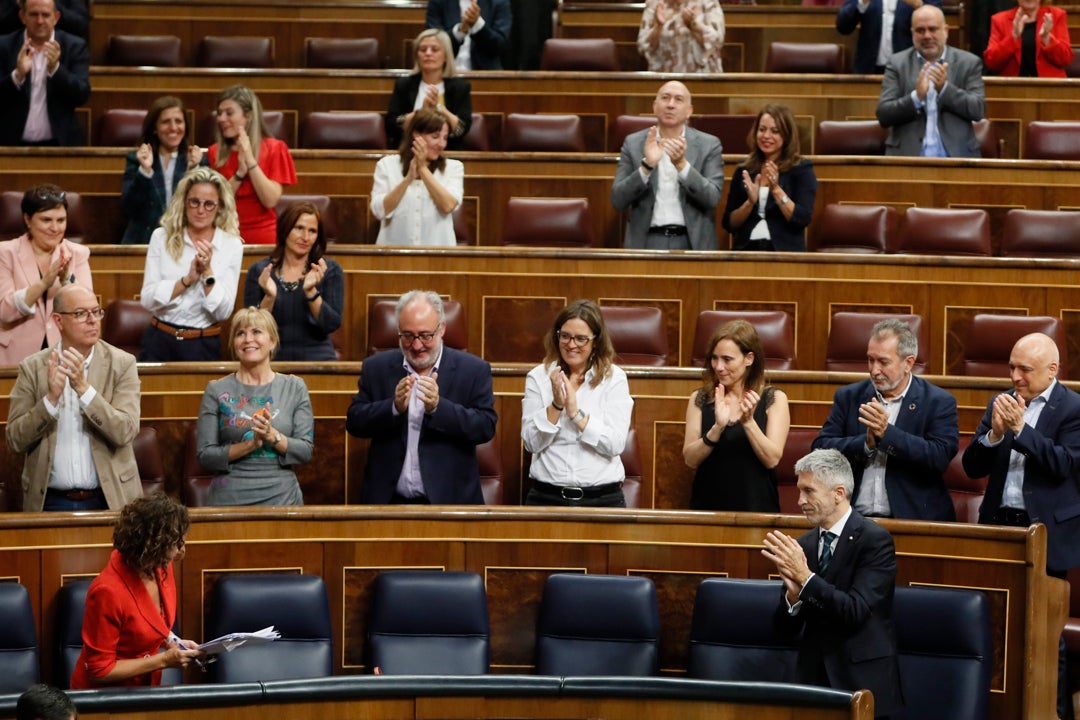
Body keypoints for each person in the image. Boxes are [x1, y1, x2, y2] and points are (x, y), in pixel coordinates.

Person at [962, 333, 1080, 720]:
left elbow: (1064, 464)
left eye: (1024, 369)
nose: (1015, 376)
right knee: (994, 627)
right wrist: (995, 434)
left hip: (1043, 534)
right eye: (1011, 367)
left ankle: (1054, 713)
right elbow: (972, 467)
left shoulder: (1073, 408)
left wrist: (1021, 431)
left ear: (1052, 370)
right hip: (999, 527)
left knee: (1046, 635)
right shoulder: (1001, 402)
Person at [761, 448, 904, 719]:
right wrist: (793, 599)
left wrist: (805, 579)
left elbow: (855, 611)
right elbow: (783, 631)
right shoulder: (803, 545)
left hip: (863, 683)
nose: (800, 500)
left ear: (838, 493)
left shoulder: (875, 541)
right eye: (799, 491)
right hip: (812, 682)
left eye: (808, 491)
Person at [345, 289, 497, 504]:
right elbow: (355, 422)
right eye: (407, 336)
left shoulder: (473, 370)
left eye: (425, 336)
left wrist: (439, 407)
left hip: (450, 505)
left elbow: (485, 427)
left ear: (442, 328)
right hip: (388, 503)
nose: (416, 346)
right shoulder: (376, 367)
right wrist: (393, 408)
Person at [6, 284, 142, 512]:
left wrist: (84, 389)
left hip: (110, 499)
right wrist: (49, 401)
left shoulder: (122, 364)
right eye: (81, 313)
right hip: (50, 501)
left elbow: (125, 431)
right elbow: (15, 440)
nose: (92, 320)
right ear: (58, 321)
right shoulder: (33, 368)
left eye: (96, 311)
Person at [812, 318, 958, 520]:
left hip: (912, 520)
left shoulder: (937, 402)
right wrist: (865, 443)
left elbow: (939, 457)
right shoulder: (849, 397)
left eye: (883, 362)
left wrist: (888, 435)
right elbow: (819, 450)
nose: (874, 370)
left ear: (908, 363)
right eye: (870, 360)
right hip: (853, 519)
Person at [70, 494, 204, 689]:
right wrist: (164, 660)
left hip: (144, 689)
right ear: (153, 546)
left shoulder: (160, 567)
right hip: (105, 700)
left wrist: (173, 641)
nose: (180, 550)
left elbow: (151, 621)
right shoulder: (107, 591)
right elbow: (99, 669)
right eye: (175, 543)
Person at [521, 300, 634, 507]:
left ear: (596, 342)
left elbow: (615, 444)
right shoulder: (539, 377)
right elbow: (531, 443)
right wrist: (556, 405)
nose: (571, 345)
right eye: (565, 336)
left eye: (581, 339)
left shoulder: (614, 379)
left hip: (602, 500)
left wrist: (576, 415)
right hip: (547, 498)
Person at [196, 307, 314, 506]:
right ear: (234, 344)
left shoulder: (294, 387)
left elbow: (305, 451)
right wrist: (251, 444)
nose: (247, 339)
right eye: (240, 333)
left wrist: (272, 436)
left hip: (282, 497)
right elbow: (205, 456)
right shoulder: (216, 390)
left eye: (256, 332)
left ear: (272, 342)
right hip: (229, 496)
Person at [683, 319, 789, 511]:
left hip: (757, 507)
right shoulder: (700, 398)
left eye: (727, 359)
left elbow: (772, 458)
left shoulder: (774, 399)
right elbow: (690, 459)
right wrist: (716, 429)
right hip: (707, 508)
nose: (718, 367)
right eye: (714, 358)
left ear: (749, 358)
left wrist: (748, 422)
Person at [139, 167, 243, 362]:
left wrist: (207, 274)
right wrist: (187, 281)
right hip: (158, 340)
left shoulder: (231, 245)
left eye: (209, 204)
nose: (201, 210)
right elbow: (147, 299)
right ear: (184, 202)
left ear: (220, 206)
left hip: (202, 345)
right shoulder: (161, 237)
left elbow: (224, 312)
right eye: (194, 202)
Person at [611, 80, 724, 251]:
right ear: (655, 106)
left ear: (689, 111)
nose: (670, 104)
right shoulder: (634, 143)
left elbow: (712, 198)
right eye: (665, 98)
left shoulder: (709, 145)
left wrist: (682, 165)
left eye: (678, 99)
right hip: (646, 242)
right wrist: (646, 167)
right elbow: (618, 200)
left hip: (692, 243)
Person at [875, 4, 986, 158]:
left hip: (956, 157)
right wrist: (916, 97)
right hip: (908, 157)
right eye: (920, 30)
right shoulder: (897, 63)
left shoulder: (968, 62)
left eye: (933, 29)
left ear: (945, 31)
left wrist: (946, 89)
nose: (927, 36)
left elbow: (978, 110)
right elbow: (884, 115)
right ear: (912, 34)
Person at [0, 184, 90, 367]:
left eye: (61, 220)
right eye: (46, 220)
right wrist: (44, 283)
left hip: (64, 356)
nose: (55, 228)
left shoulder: (77, 254)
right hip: (16, 358)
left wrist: (66, 280)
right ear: (27, 219)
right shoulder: (5, 253)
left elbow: (86, 311)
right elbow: (5, 312)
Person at [244, 201, 344, 361]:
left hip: (317, 359)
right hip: (271, 359)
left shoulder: (330, 271)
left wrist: (311, 292)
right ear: (285, 229)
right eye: (299, 228)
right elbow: (250, 328)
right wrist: (269, 297)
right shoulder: (260, 271)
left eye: (312, 231)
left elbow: (331, 324)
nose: (305, 237)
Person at [721, 104, 817, 252]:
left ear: (787, 135)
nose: (766, 136)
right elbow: (729, 224)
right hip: (746, 250)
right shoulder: (744, 168)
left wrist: (776, 189)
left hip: (785, 252)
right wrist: (750, 202)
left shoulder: (801, 169)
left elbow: (802, 219)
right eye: (762, 129)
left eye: (775, 131)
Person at [208, 85, 296, 245]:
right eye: (220, 113)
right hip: (225, 235)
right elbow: (217, 202)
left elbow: (270, 200)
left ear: (248, 116)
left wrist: (250, 161)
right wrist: (240, 173)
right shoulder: (215, 152)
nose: (221, 118)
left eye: (229, 113)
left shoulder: (275, 148)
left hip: (264, 238)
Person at [120, 95, 207, 245]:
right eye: (166, 122)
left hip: (184, 242)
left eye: (178, 121)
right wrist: (145, 171)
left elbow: (204, 208)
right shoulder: (137, 159)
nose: (173, 128)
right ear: (155, 128)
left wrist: (193, 170)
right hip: (143, 241)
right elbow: (128, 208)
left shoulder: (196, 160)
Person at [0, 0, 89, 146]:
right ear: (22, 16)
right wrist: (17, 76)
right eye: (34, 14)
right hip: (10, 146)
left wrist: (56, 70)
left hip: (59, 146)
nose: (40, 21)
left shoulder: (74, 47)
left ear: (56, 18)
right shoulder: (4, 46)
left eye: (46, 15)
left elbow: (81, 95)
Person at [372, 107, 463, 247]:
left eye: (445, 138)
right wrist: (408, 179)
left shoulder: (454, 168)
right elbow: (380, 211)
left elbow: (448, 205)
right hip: (393, 256)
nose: (441, 144)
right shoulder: (386, 165)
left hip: (440, 257)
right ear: (416, 134)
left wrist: (422, 169)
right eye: (435, 136)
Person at [385, 28, 471, 152]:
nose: (428, 53)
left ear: (446, 56)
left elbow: (462, 129)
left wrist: (440, 108)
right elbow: (391, 126)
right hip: (408, 151)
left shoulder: (460, 87)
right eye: (423, 49)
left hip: (448, 154)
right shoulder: (404, 85)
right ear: (417, 56)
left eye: (435, 49)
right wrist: (421, 112)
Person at [837, 0, 944, 74]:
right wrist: (861, 3)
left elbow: (937, 19)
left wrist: (918, 4)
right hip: (869, 70)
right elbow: (843, 27)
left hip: (910, 70)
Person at [983, 0, 1073, 77]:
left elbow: (1065, 59)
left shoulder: (1056, 16)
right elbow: (991, 62)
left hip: (1050, 88)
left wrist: (1047, 39)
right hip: (1012, 89)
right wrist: (1013, 37)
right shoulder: (999, 20)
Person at [637, 0, 725, 73]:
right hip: (664, 76)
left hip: (701, 75)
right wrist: (659, 27)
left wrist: (693, 25)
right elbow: (643, 46)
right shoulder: (654, 3)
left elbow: (717, 40)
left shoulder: (708, 2)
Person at [425, 0, 512, 71]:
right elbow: (433, 40)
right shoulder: (438, 2)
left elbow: (500, 45)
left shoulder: (499, 2)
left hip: (486, 77)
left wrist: (478, 25)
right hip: (445, 75)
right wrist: (459, 31)